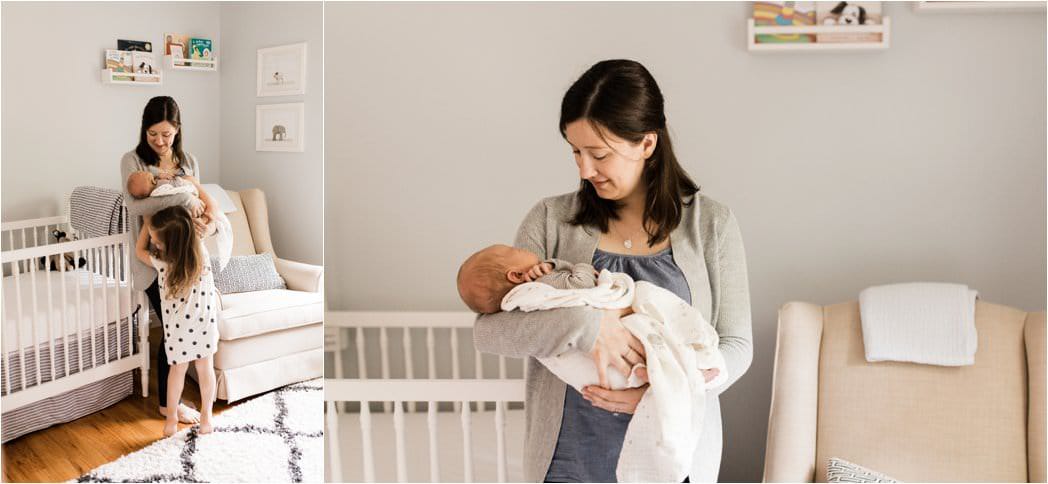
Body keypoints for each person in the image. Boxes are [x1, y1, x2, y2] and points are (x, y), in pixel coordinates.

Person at [472, 59, 752, 482]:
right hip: (568, 460)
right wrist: (590, 324)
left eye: (599, 154)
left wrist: (657, 392)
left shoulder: (711, 225)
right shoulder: (549, 219)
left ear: (646, 144)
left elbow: (736, 346)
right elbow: (490, 330)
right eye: (576, 153)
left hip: (676, 457)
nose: (585, 170)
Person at [121, 96, 215, 425]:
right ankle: (167, 407)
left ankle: (174, 402)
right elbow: (135, 208)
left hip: (188, 258)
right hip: (152, 262)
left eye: (167, 134)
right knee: (172, 330)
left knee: (188, 328)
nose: (160, 142)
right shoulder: (132, 161)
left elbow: (203, 202)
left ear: (178, 130)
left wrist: (205, 222)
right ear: (143, 131)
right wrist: (185, 194)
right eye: (152, 134)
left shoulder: (188, 160)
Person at [134, 206, 219, 436]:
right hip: (204, 325)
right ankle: (207, 418)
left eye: (156, 240)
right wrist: (199, 218)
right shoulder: (201, 254)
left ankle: (171, 422)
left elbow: (139, 250)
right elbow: (213, 218)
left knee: (176, 374)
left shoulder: (163, 264)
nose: (154, 242)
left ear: (167, 244)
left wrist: (147, 220)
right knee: (206, 370)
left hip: (178, 331)